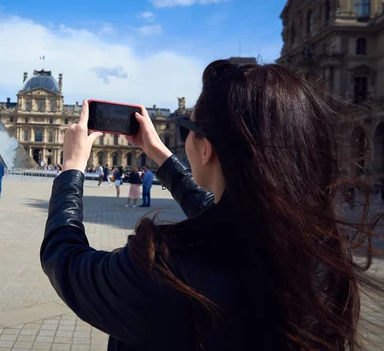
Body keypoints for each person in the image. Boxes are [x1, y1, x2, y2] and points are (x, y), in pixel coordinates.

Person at [41, 61, 384, 350]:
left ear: (206, 149)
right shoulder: (319, 250)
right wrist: (160, 155)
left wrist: (72, 169)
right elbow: (219, 212)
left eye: (189, 128)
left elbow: (66, 260)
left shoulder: (164, 267)